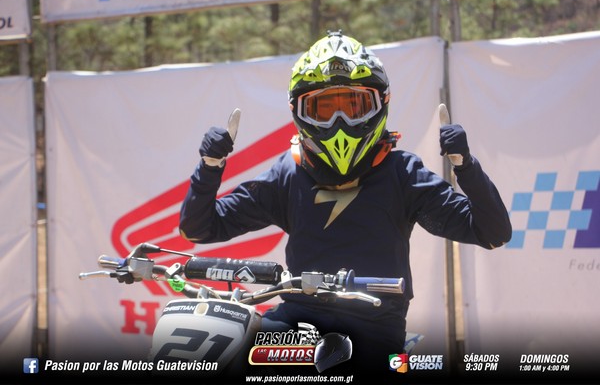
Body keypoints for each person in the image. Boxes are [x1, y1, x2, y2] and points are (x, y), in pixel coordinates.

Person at [179, 30, 512, 377]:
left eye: (353, 106)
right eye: (324, 108)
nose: (340, 122)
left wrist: (466, 166)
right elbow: (199, 228)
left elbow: (492, 232)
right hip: (295, 324)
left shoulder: (402, 173)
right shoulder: (289, 173)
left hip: (373, 331)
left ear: (381, 103)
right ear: (299, 111)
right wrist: (209, 167)